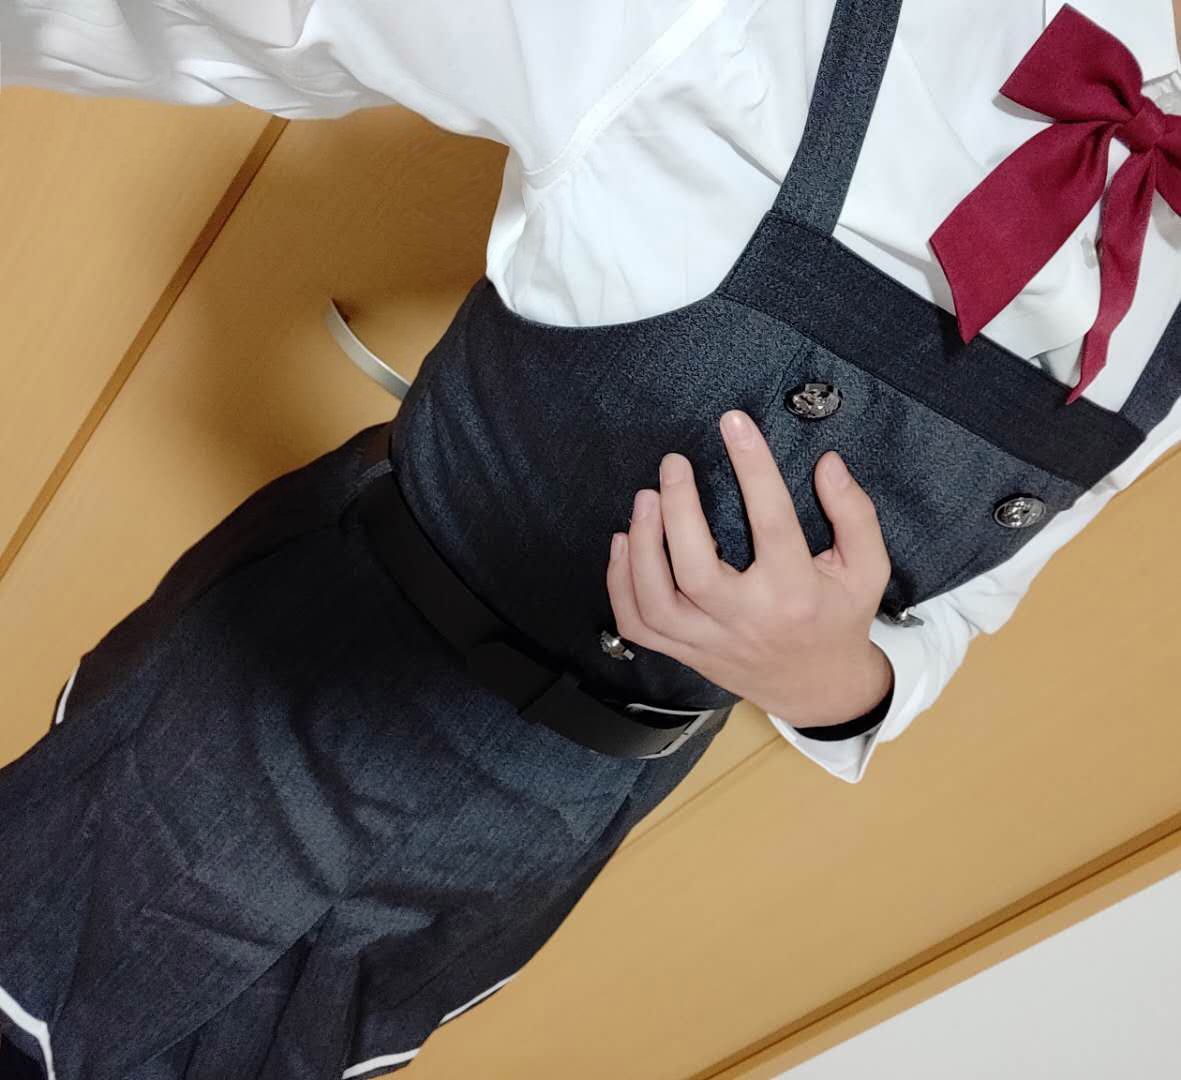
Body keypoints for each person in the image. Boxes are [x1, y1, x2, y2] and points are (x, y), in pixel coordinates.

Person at [1, 1, 1178, 1077]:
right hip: (292, 696)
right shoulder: (745, 26)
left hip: (559, 827)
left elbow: (965, 606)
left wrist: (832, 682)